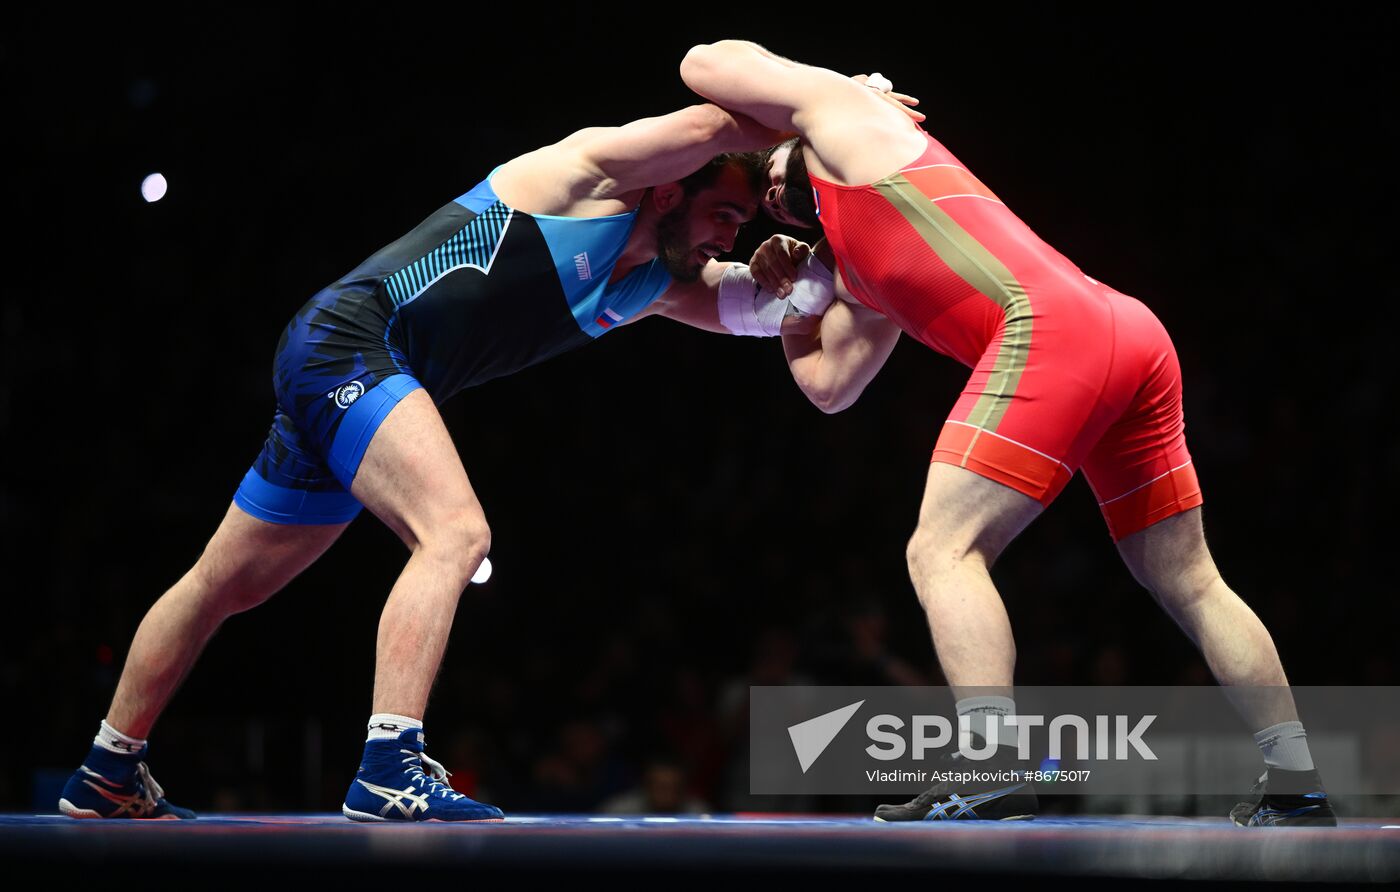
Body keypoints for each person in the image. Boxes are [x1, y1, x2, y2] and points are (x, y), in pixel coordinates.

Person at [57, 100, 825, 822]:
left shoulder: (657, 283)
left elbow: (774, 310)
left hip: (342, 371)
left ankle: (106, 771)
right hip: (351, 343)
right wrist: (826, 111)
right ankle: (389, 765)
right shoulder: (579, 176)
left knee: (221, 585)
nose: (729, 238)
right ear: (667, 191)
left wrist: (811, 269)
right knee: (456, 533)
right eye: (724, 215)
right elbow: (707, 119)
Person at [681, 40, 1335, 826]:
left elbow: (703, 60)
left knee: (942, 550)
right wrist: (795, 298)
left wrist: (837, 86)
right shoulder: (848, 267)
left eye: (773, 176)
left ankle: (991, 769)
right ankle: (1296, 784)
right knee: (1190, 580)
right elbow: (828, 388)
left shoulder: (851, 119)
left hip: (1055, 330)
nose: (777, 198)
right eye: (771, 206)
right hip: (1125, 332)